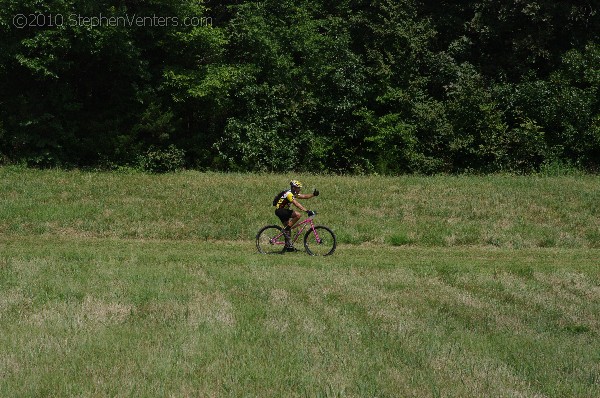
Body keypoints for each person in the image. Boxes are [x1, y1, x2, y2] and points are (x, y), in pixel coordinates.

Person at [274, 180, 319, 251]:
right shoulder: (289, 194)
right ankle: (286, 230)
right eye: (298, 188)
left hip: (282, 211)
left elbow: (304, 196)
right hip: (281, 211)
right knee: (298, 215)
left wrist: (313, 194)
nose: (300, 189)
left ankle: (288, 247)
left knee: (288, 229)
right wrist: (307, 211)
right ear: (294, 188)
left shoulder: (293, 193)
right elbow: (296, 203)